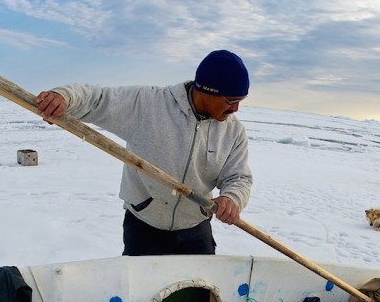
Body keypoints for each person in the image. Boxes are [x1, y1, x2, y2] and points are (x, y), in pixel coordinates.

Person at [36, 50, 252, 256]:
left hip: (195, 229)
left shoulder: (233, 132)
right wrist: (65, 97)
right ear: (206, 90)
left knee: (199, 291)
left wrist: (232, 198)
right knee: (143, 293)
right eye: (230, 101)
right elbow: (98, 99)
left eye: (240, 101)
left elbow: (238, 177)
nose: (235, 109)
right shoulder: (150, 105)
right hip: (144, 226)